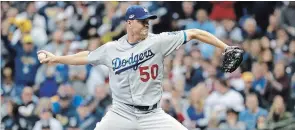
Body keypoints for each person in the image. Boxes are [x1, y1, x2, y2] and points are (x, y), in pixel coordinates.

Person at [38, 5, 236, 130]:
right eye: (142, 22)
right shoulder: (112, 48)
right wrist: (57, 58)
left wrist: (225, 47)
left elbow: (194, 33)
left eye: (148, 21)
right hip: (121, 113)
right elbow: (86, 57)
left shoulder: (158, 41)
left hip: (152, 114)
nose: (147, 25)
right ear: (130, 23)